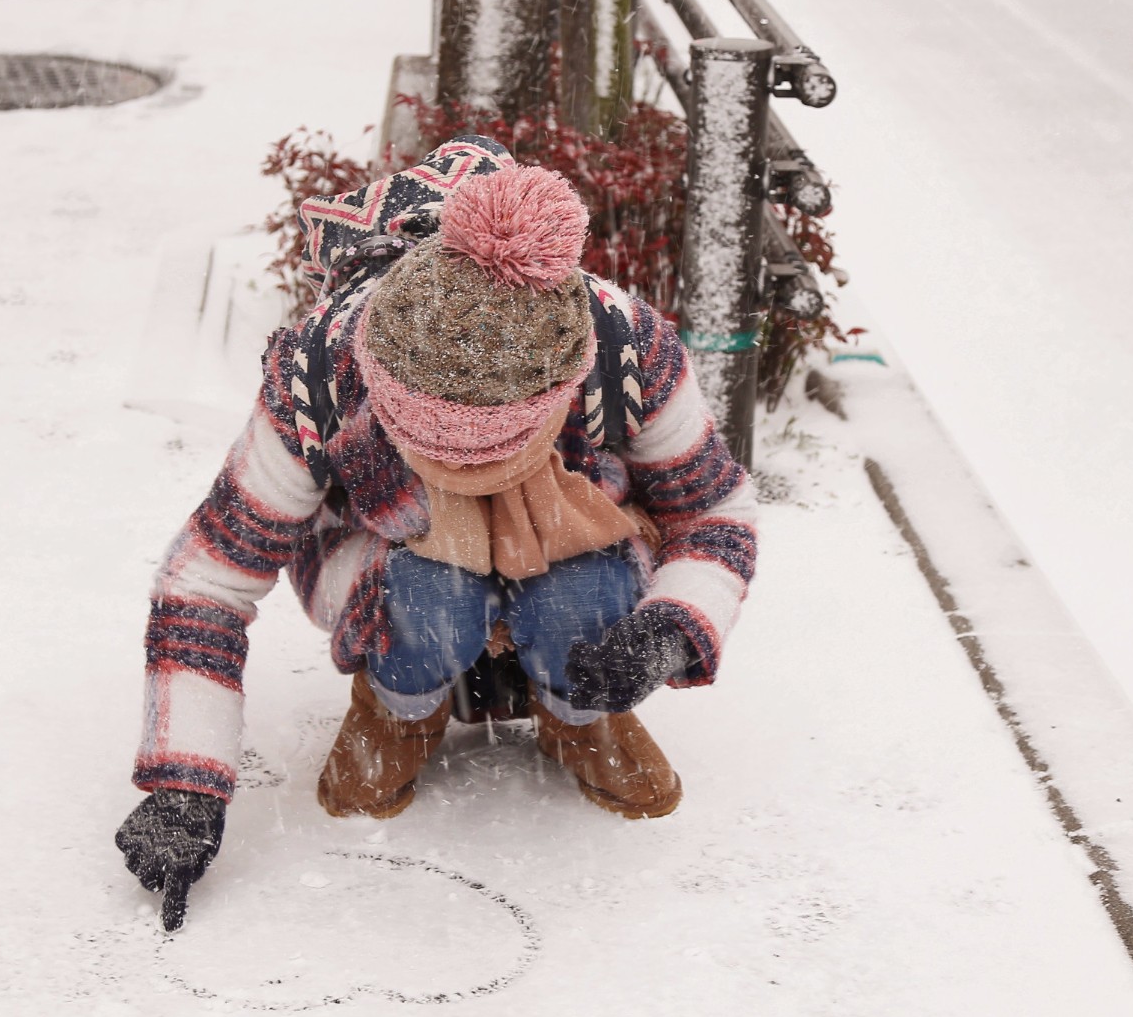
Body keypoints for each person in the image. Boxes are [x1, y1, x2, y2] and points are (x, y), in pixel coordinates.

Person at [116, 138, 758, 930]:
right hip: (397, 550)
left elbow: (715, 511)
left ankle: (579, 708)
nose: (467, 477)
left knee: (583, 605)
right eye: (437, 454)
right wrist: (185, 786)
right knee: (434, 600)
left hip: (579, 532)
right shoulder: (318, 372)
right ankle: (400, 703)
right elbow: (208, 577)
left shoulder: (622, 344)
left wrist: (666, 633)